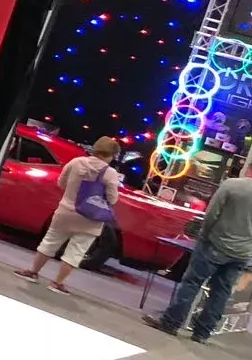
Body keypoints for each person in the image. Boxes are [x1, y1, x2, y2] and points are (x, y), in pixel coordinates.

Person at [146, 168, 252, 343]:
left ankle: (171, 322)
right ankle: (202, 333)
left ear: (248, 169)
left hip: (214, 244)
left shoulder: (231, 186)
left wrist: (204, 235)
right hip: (242, 252)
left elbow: (211, 213)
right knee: (221, 292)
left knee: (192, 283)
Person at [15, 136, 122, 294]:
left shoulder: (76, 162)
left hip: (65, 212)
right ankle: (57, 283)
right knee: (76, 251)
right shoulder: (110, 173)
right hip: (90, 219)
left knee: (50, 242)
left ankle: (32, 272)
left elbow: (61, 183)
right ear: (112, 155)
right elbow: (112, 199)